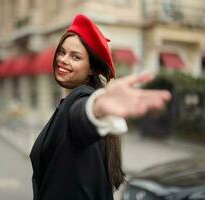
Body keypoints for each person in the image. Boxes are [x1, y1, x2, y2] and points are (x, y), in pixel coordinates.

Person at [30, 14, 171, 200]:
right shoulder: (71, 100)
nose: (63, 60)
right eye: (62, 52)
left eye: (75, 57)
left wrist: (94, 109)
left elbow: (80, 116)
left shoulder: (81, 97)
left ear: (91, 69)